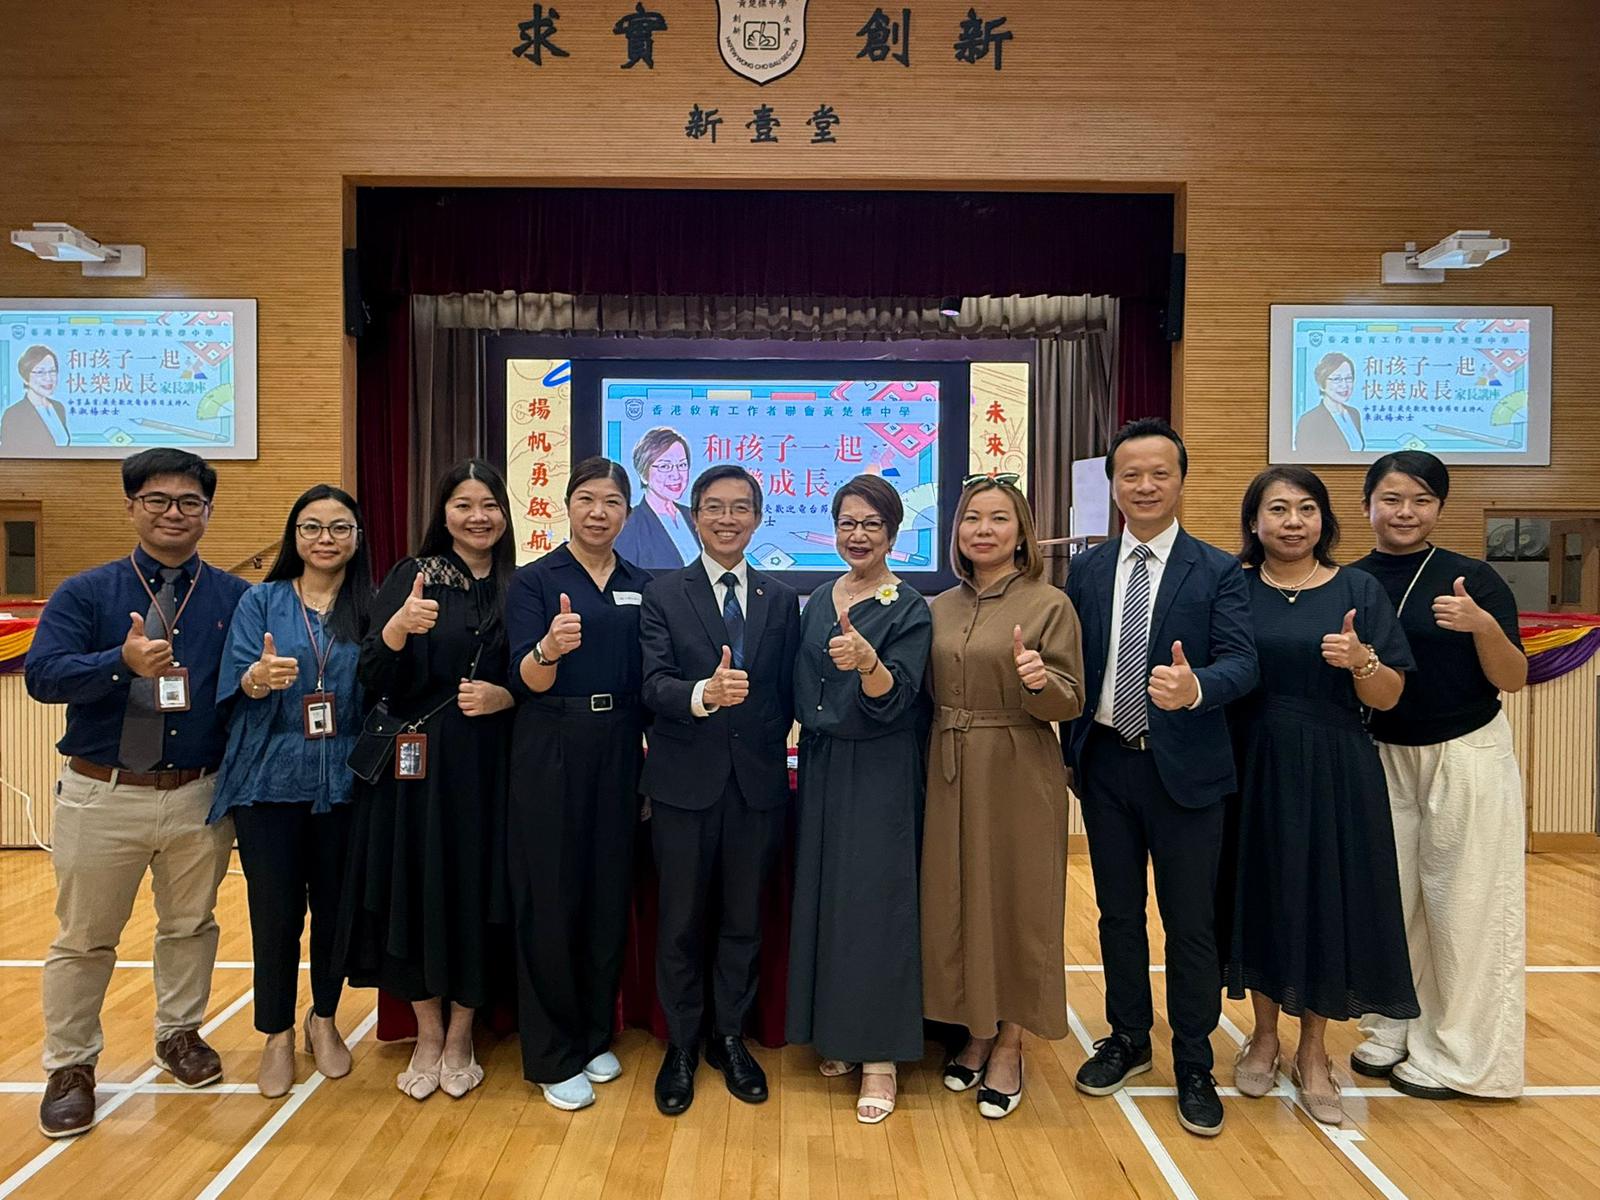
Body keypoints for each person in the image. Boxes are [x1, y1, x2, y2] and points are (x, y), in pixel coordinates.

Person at [24, 448, 248, 1138]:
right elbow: (43, 676)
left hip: (197, 792)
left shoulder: (232, 597)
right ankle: (71, 1066)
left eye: (189, 502)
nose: (173, 513)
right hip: (104, 792)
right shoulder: (86, 593)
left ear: (208, 512)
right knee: (85, 938)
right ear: (131, 507)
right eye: (158, 500)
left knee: (190, 925)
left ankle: (178, 1033)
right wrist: (118, 663)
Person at [1063, 418, 1258, 1138]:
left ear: (1181, 481)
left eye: (1159, 474)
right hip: (1107, 763)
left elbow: (1244, 663)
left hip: (1188, 772)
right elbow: (1072, 662)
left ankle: (1195, 1061)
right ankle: (1127, 1038)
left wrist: (1196, 686)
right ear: (1114, 484)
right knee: (1117, 915)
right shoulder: (1087, 569)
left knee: (1189, 923)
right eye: (1131, 475)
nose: (1144, 486)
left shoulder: (1218, 570)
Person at [1226, 465, 1419, 1126]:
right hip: (1251, 763)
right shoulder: (1233, 586)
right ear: (1255, 522)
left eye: (1306, 508)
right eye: (1278, 509)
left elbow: (1388, 697)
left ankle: (1314, 1052)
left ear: (1324, 520)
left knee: (1326, 901)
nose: (1292, 522)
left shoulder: (1358, 588)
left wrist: (1362, 660)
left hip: (1336, 765)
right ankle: (1263, 1036)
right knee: (1262, 897)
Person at [336, 459, 517, 1102]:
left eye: (489, 505)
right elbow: (371, 675)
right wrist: (396, 629)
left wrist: (505, 696)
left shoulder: (519, 584)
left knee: (474, 893)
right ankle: (428, 1033)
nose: (478, 517)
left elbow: (534, 677)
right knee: (413, 892)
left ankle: (463, 1032)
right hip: (415, 771)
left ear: (505, 514)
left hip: (488, 769)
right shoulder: (411, 576)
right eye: (463, 504)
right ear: (443, 514)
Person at [1350, 451, 1528, 1100]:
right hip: (1382, 754)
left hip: (1464, 752)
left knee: (1465, 906)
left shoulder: (1472, 580)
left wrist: (1482, 627)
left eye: (1421, 500)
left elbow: (1514, 678)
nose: (1405, 512)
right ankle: (1393, 1024)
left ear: (1440, 508)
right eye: (1392, 499)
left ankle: (1464, 1055)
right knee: (1390, 902)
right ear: (1367, 504)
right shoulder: (1351, 580)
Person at [639, 464, 802, 1117]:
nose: (726, 518)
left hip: (757, 786)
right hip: (682, 785)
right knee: (679, 923)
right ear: (695, 515)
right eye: (714, 507)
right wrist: (703, 694)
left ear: (758, 518)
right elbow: (651, 685)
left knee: (743, 921)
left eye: (740, 508)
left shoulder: (780, 598)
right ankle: (681, 1044)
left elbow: (787, 693)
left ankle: (729, 1037)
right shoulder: (663, 593)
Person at [923, 474, 1085, 1121]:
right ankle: (976, 1028)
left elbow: (1069, 701)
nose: (983, 529)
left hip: (1017, 766)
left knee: (1019, 901)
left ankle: (1011, 1042)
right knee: (958, 899)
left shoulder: (1050, 604)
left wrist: (1040, 680)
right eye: (972, 518)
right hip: (947, 765)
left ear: (1021, 533)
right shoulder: (938, 606)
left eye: (998, 518)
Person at [208, 485, 372, 1098]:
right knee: (275, 914)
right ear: (294, 536)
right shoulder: (262, 600)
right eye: (311, 527)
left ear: (357, 537)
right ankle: (275, 1032)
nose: (325, 539)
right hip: (270, 781)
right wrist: (257, 677)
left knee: (335, 911)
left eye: (339, 527)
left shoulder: (370, 606)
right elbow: (237, 682)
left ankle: (323, 1017)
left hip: (348, 783)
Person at [505, 457, 653, 1112]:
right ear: (567, 506)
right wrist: (549, 650)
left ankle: (594, 1033)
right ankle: (551, 1053)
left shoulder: (641, 583)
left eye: (612, 501)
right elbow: (523, 679)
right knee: (551, 897)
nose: (599, 512)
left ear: (627, 512)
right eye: (587, 499)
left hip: (620, 744)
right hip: (552, 742)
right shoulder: (536, 581)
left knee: (605, 894)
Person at [786, 474, 932, 1125]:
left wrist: (869, 663)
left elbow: (898, 696)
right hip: (822, 765)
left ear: (893, 534)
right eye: (848, 522)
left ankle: (881, 1057)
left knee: (877, 904)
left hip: (880, 767)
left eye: (872, 523)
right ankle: (839, 1033)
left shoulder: (910, 605)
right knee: (830, 899)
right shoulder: (821, 596)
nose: (858, 534)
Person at [615, 427, 698, 571]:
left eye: (682, 465)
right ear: (643, 473)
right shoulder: (630, 525)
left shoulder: (694, 516)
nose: (676, 475)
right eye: (665, 466)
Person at [1, 346, 70, 455]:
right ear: (25, 378)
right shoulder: (13, 414)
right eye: (40, 372)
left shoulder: (58, 407)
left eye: (52, 371)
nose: (48, 378)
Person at [1293, 352, 1364, 457]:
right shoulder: (1309, 421)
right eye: (1337, 379)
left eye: (1348, 378)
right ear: (1322, 384)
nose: (1344, 385)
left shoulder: (1354, 413)